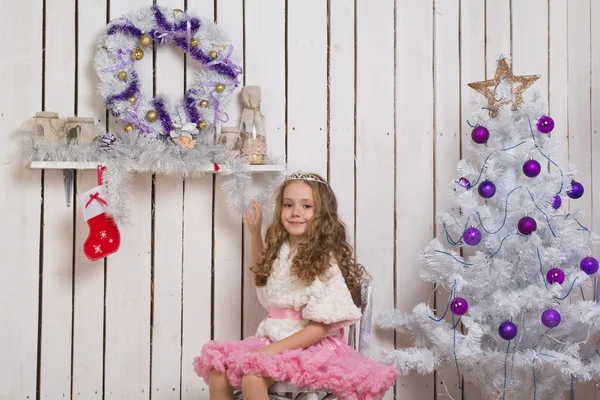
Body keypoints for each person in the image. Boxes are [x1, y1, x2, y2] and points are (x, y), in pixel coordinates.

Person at [193, 171, 399, 400]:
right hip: (273, 338)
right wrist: (254, 234)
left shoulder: (323, 261)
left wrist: (270, 351)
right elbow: (262, 280)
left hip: (310, 347)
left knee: (252, 378)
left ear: (321, 214)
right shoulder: (281, 251)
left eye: (307, 206)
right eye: (288, 205)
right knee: (218, 373)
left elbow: (319, 328)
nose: (296, 213)